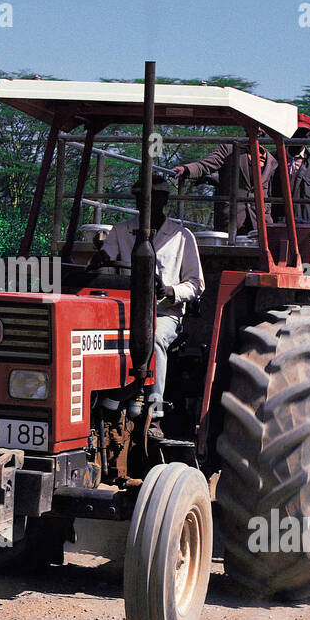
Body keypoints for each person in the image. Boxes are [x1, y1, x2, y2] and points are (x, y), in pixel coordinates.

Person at [88, 177, 205, 434]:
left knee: (155, 339)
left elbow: (197, 284)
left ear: (164, 201)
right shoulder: (120, 231)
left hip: (164, 312)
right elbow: (105, 257)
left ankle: (156, 411)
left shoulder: (181, 236)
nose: (148, 204)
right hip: (126, 310)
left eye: (154, 198)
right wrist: (101, 258)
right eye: (143, 199)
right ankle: (101, 401)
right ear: (137, 202)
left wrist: (171, 290)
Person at [169, 135, 277, 234]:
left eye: (262, 126)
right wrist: (186, 169)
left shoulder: (271, 161)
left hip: (259, 224)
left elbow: (269, 192)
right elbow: (206, 165)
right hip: (230, 220)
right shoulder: (230, 149)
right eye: (255, 124)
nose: (258, 129)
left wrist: (267, 214)